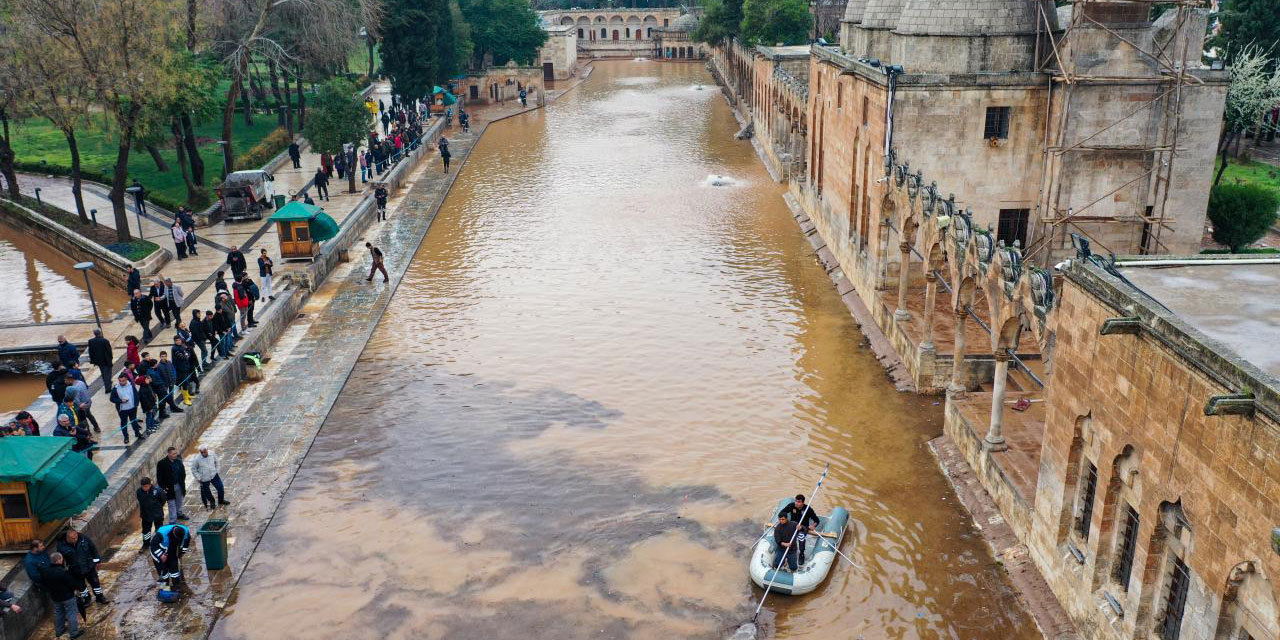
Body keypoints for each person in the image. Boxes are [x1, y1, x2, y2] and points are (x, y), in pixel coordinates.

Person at [58, 529, 108, 605]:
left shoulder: (84, 539)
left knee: (95, 583)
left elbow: (93, 548)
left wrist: (97, 561)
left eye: (76, 537)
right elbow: (61, 559)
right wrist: (64, 571)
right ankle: (87, 599)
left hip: (89, 567)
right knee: (81, 587)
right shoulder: (61, 546)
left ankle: (100, 597)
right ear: (68, 538)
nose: (75, 539)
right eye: (73, 538)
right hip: (76, 571)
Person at [41, 553, 84, 638]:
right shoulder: (63, 572)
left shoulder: (45, 571)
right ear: (58, 560)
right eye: (62, 559)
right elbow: (72, 583)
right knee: (71, 614)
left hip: (55, 597)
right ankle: (74, 633)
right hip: (67, 596)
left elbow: (44, 584)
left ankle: (59, 631)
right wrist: (77, 587)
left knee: (58, 613)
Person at [778, 494, 822, 564]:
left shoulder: (808, 509)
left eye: (798, 502)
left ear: (802, 503)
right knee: (786, 535)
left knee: (801, 537)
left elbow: (817, 520)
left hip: (803, 527)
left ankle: (801, 553)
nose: (796, 503)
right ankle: (786, 552)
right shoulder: (791, 506)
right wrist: (786, 521)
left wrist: (813, 526)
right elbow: (782, 513)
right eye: (796, 501)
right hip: (792, 525)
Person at [150, 523, 191, 588]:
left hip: (172, 549)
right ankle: (165, 587)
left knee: (174, 567)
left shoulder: (185, 531)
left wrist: (182, 552)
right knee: (163, 571)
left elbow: (186, 542)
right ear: (173, 533)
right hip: (160, 549)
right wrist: (161, 555)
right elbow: (153, 545)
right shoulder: (162, 533)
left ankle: (176, 586)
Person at [109, 373, 145, 444]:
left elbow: (136, 395)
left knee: (134, 421)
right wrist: (120, 401)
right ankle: (126, 437)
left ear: (126, 380)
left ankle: (137, 433)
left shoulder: (131, 386)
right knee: (124, 423)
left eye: (123, 381)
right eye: (120, 381)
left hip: (132, 408)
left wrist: (136, 404)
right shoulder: (116, 389)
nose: (121, 382)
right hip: (122, 410)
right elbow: (112, 399)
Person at [157, 447, 190, 523]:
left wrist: (182, 481)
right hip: (169, 487)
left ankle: (179, 513)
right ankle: (172, 520)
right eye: (173, 454)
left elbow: (183, 472)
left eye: (176, 453)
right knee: (171, 503)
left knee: (179, 501)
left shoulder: (178, 461)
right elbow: (159, 477)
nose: (175, 455)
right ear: (169, 454)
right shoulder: (162, 463)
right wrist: (164, 487)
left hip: (179, 484)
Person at [137, 477, 167, 552]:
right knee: (146, 531)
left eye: (146, 486)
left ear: (150, 485)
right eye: (143, 486)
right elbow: (140, 501)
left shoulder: (158, 491)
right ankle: (146, 544)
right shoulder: (139, 492)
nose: (144, 488)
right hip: (146, 515)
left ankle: (159, 543)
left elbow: (163, 500)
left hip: (157, 514)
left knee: (159, 530)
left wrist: (157, 508)